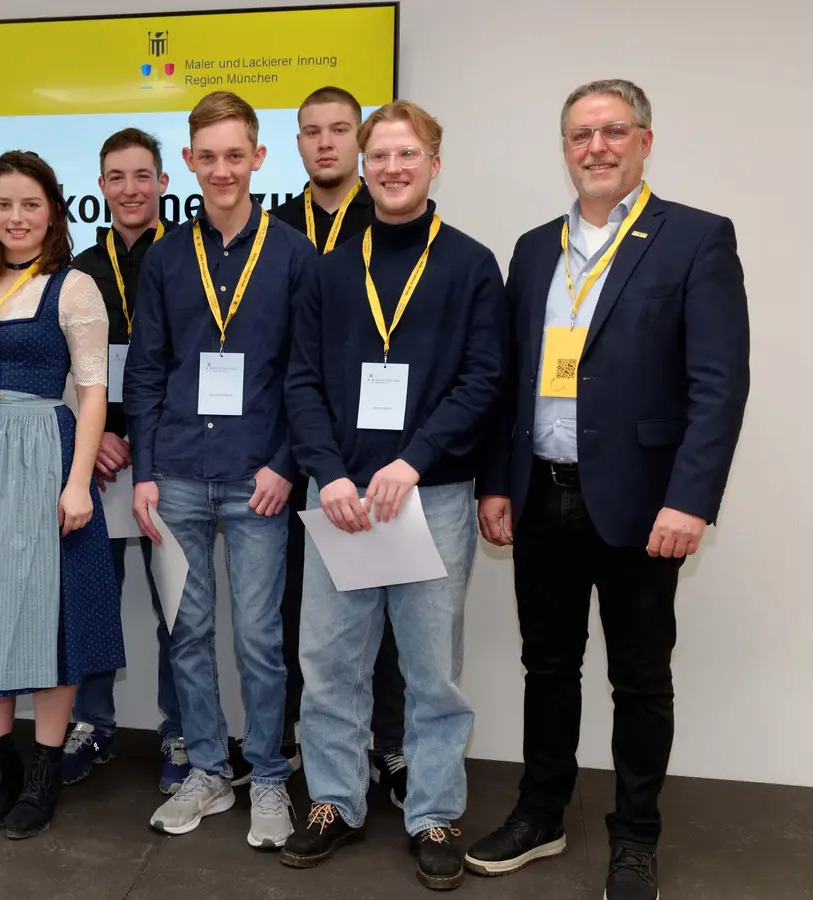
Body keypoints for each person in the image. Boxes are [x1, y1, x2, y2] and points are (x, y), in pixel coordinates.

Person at [465, 79, 750, 900]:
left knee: (639, 676)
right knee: (546, 665)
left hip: (641, 502)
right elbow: (512, 380)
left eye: (613, 131)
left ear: (645, 142)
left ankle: (635, 837)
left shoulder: (695, 239)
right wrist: (497, 483)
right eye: (580, 134)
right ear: (564, 149)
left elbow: (719, 383)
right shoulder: (532, 248)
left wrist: (690, 499)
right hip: (541, 493)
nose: (596, 147)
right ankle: (542, 813)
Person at [280, 100, 505, 890]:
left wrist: (413, 461)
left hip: (431, 496)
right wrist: (329, 471)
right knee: (330, 662)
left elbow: (484, 381)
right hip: (341, 494)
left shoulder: (472, 264)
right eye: (380, 155)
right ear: (365, 164)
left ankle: (434, 810)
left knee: (430, 669)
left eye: (409, 155)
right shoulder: (327, 268)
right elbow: (299, 380)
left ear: (435, 164)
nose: (392, 167)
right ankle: (334, 802)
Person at [124, 90, 316, 849]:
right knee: (188, 631)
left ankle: (268, 777)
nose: (222, 169)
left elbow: (309, 375)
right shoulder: (169, 256)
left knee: (262, 640)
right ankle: (208, 769)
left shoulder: (296, 254)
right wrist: (144, 469)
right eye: (208, 157)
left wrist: (286, 464)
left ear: (258, 158)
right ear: (190, 163)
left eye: (236, 155)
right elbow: (146, 370)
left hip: (258, 477)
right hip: (175, 473)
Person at [0, 150, 126, 840]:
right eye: (4, 204)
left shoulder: (73, 288)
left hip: (45, 451)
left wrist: (78, 482)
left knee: (47, 610)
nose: (16, 217)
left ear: (52, 213)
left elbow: (93, 393)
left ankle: (43, 770)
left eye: (30, 205)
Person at [270, 85, 409, 806]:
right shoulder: (276, 226)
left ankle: (388, 744)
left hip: (367, 451)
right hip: (296, 450)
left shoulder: (387, 215)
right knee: (305, 611)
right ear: (296, 144)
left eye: (339, 130)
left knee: (384, 608)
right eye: (311, 132)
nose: (326, 143)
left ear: (360, 139)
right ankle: (308, 744)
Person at [60, 127, 188, 794]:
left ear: (164, 183)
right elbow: (68, 368)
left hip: (167, 460)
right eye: (117, 176)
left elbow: (197, 365)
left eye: (144, 176)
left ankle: (179, 729)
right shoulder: (79, 269)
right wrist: (102, 436)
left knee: (175, 606)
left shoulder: (193, 260)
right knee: (92, 601)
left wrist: (147, 439)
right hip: (99, 461)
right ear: (102, 187)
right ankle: (92, 722)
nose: (131, 189)